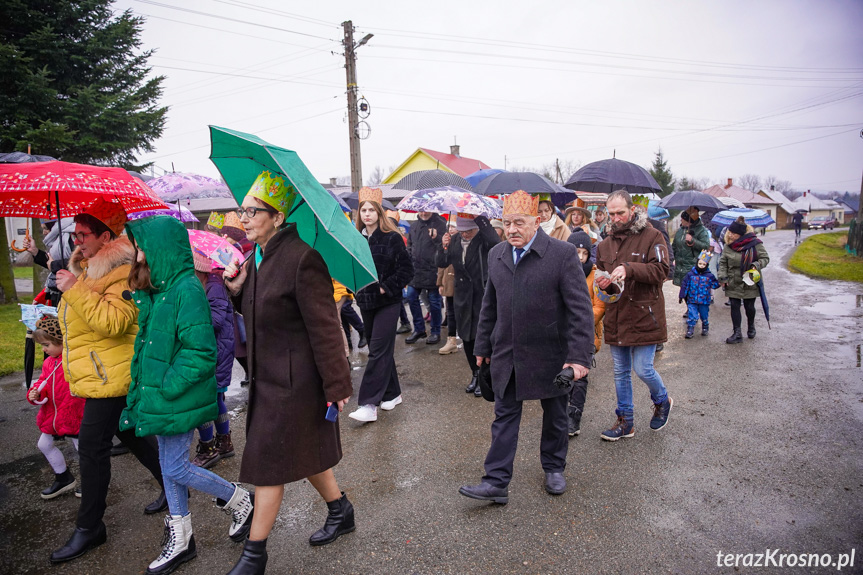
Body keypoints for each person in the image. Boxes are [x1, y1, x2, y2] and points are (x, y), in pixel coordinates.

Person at [223, 171, 355, 573]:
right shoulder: (257, 257)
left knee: (268, 464)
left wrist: (337, 384)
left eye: (253, 212)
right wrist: (238, 288)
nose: (244, 219)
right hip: (268, 380)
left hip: (297, 384)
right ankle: (340, 510)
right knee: (306, 452)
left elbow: (325, 328)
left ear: (278, 217)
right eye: (243, 210)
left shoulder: (302, 258)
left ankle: (255, 555)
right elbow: (263, 310)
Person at [122, 215, 254, 575]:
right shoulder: (161, 289)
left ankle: (238, 498)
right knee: (169, 466)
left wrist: (166, 386)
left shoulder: (186, 290)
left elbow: (200, 352)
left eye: (142, 247)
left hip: (177, 396)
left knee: (176, 465)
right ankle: (182, 535)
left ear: (162, 247)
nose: (138, 254)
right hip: (163, 397)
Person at [458, 191, 593, 503]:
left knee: (556, 414)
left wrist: (578, 358)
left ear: (537, 221)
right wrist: (482, 347)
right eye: (507, 223)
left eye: (519, 222)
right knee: (504, 416)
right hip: (508, 352)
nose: (512, 229)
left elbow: (580, 310)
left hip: (551, 353)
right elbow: (489, 305)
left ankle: (554, 467)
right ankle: (496, 481)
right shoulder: (498, 254)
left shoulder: (562, 254)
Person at [51, 199, 165, 565]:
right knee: (133, 436)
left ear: (105, 236)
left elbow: (114, 323)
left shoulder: (122, 272)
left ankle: (90, 527)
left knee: (91, 446)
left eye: (82, 235)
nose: (76, 242)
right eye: (74, 235)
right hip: (101, 373)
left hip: (115, 374)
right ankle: (174, 487)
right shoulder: (88, 270)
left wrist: (74, 290)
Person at [595, 191, 673, 442]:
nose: (616, 218)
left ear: (632, 210)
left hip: (644, 313)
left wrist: (629, 269)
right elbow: (603, 281)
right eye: (612, 213)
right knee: (620, 371)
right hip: (617, 314)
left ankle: (662, 400)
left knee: (642, 368)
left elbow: (662, 271)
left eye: (621, 212)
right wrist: (605, 283)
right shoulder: (604, 243)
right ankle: (625, 421)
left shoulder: (653, 235)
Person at [349, 187, 414, 423]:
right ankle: (393, 393)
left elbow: (407, 270)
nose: (367, 214)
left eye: (371, 210)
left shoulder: (392, 237)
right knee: (382, 350)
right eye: (363, 210)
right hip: (365, 302)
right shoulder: (355, 239)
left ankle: (368, 404)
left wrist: (385, 286)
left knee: (376, 350)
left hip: (388, 301)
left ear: (379, 212)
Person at [436, 214, 500, 395]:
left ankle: (485, 376)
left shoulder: (484, 239)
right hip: (462, 296)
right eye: (462, 231)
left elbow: (496, 243)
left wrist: (480, 219)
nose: (465, 234)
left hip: (482, 293)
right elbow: (441, 262)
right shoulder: (454, 239)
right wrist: (444, 245)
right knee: (467, 336)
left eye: (469, 231)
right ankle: (475, 372)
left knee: (483, 335)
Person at [26, 315, 85, 499]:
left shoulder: (74, 360)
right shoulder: (49, 362)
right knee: (44, 444)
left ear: (61, 340)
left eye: (46, 345)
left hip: (74, 414)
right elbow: (43, 382)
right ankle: (63, 477)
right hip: (53, 414)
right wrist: (35, 393)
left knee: (83, 449)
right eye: (42, 345)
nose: (44, 349)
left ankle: (90, 481)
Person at [190, 251, 236, 469]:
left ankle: (208, 447)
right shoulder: (208, 284)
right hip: (216, 350)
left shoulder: (213, 285)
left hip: (216, 352)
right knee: (215, 398)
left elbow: (215, 320)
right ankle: (224, 442)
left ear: (198, 270)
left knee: (204, 400)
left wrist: (193, 308)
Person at [565, 230, 606, 436]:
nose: (580, 258)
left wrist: (580, 321)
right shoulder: (561, 270)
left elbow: (599, 307)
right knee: (563, 374)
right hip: (562, 332)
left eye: (584, 253)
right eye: (576, 252)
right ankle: (561, 412)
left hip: (586, 333)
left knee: (579, 376)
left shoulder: (596, 275)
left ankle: (574, 416)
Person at [718, 216, 770, 344]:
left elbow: (765, 258)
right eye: (729, 232)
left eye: (733, 233)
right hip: (733, 280)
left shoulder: (755, 244)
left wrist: (757, 265)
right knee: (734, 306)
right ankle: (737, 333)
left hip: (750, 279)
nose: (729, 235)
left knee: (749, 306)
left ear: (741, 234)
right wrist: (723, 277)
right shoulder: (728, 246)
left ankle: (751, 326)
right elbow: (723, 262)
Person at [405, 211, 448, 344]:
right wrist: (410, 257)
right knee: (411, 296)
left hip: (433, 269)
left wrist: (436, 238)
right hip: (416, 269)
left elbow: (444, 247)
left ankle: (435, 331)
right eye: (420, 210)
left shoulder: (440, 224)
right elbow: (410, 244)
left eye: (426, 209)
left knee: (434, 301)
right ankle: (419, 329)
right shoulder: (414, 226)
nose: (423, 213)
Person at [678, 250, 721, 339]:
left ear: (706, 265)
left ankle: (705, 326)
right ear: (697, 263)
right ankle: (690, 329)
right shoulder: (690, 275)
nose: (701, 266)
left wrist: (720, 282)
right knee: (692, 315)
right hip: (692, 299)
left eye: (703, 264)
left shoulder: (709, 276)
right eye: (700, 264)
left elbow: (715, 284)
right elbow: (685, 285)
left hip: (704, 301)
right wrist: (682, 295)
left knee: (704, 314)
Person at [672, 208, 710, 287]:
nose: (681, 220)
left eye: (683, 218)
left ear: (689, 220)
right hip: (680, 268)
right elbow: (674, 247)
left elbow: (706, 247)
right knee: (683, 291)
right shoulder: (680, 231)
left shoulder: (701, 231)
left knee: (692, 292)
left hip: (693, 267)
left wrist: (693, 240)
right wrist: (672, 259)